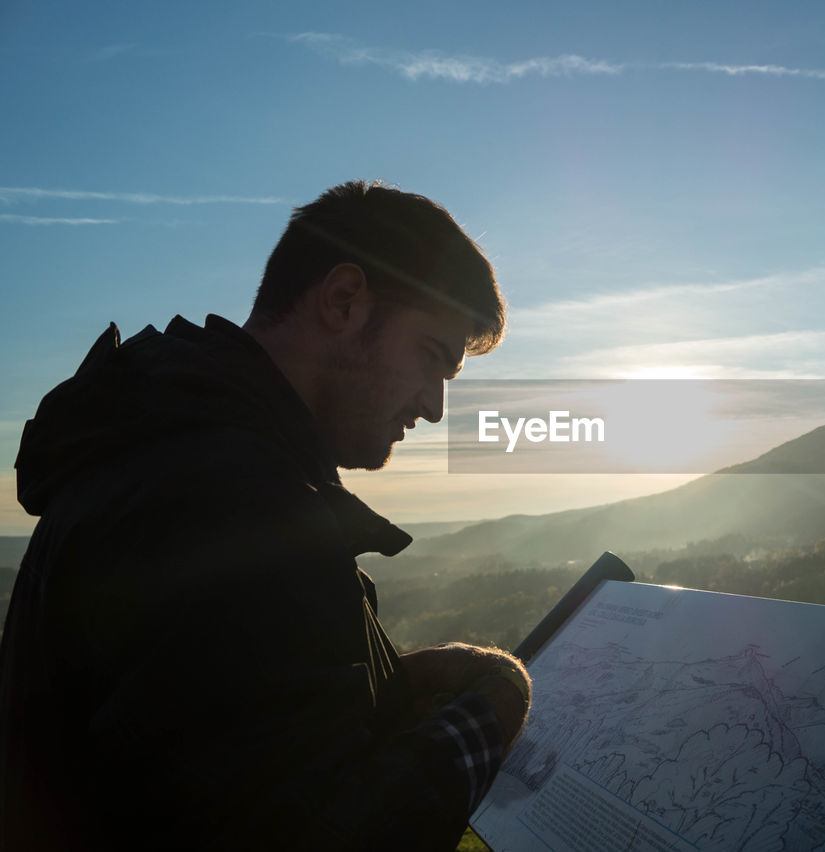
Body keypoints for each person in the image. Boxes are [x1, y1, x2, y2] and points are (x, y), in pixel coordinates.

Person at [0, 181, 531, 850]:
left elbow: (222, 766)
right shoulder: (229, 503)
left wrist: (372, 688)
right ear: (344, 301)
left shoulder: (163, 450)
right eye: (432, 356)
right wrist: (495, 705)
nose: (433, 407)